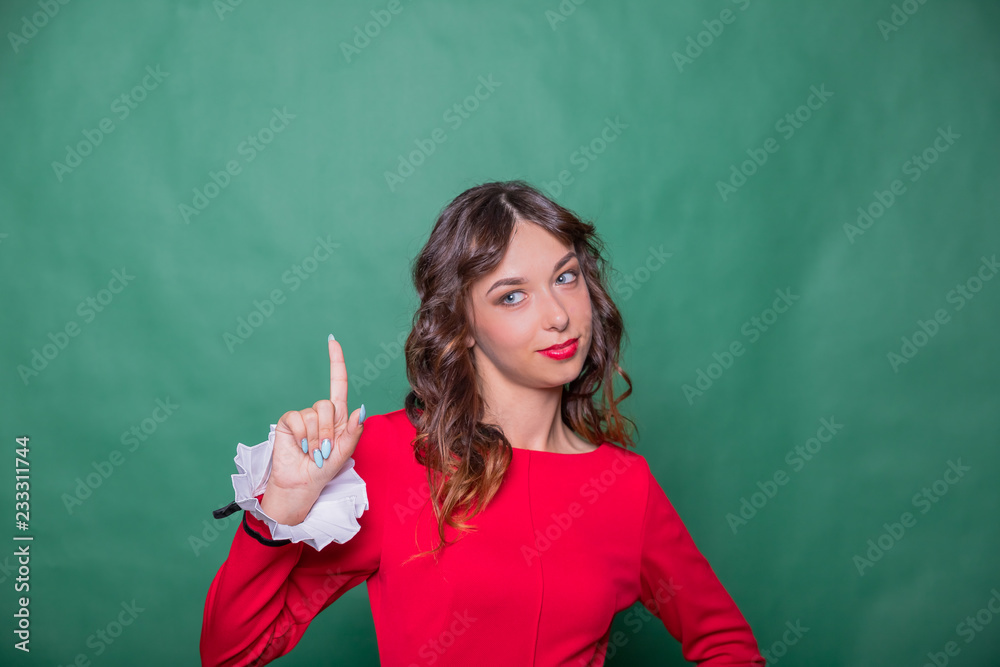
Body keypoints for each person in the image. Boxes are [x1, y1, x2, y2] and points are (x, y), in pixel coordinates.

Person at [199, 180, 765, 666]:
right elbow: (232, 652)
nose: (559, 315)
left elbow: (728, 644)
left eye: (565, 278)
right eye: (512, 295)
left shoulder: (623, 485)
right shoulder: (389, 456)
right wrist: (277, 514)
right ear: (462, 324)